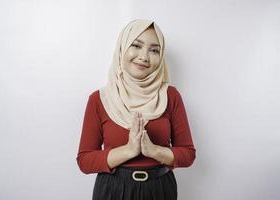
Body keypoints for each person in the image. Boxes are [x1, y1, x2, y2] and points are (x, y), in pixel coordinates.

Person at [76, 19, 196, 200]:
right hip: (112, 190)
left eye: (154, 50)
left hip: (160, 189)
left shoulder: (170, 96)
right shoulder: (99, 99)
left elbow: (187, 154)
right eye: (136, 45)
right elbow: (85, 161)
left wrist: (154, 151)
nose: (144, 56)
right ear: (122, 48)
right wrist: (129, 150)